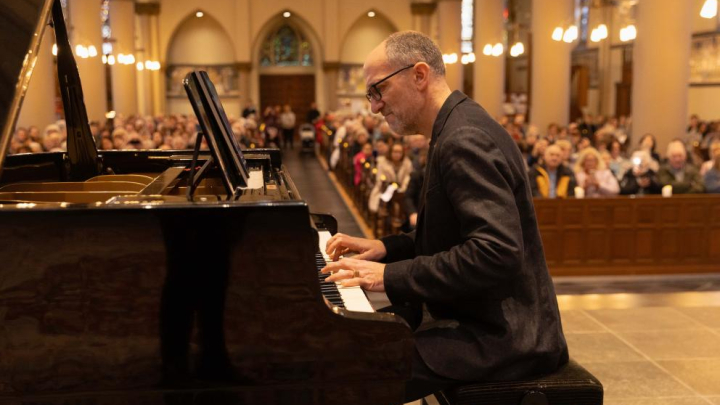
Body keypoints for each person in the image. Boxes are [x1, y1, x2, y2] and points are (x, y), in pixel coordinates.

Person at [321, 31, 568, 402]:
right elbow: (454, 235)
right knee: (352, 345)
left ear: (419, 75)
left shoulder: (463, 137)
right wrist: (386, 249)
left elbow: (495, 252)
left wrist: (388, 276)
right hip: (475, 313)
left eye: (378, 90)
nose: (374, 106)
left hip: (502, 333)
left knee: (351, 371)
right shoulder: (455, 125)